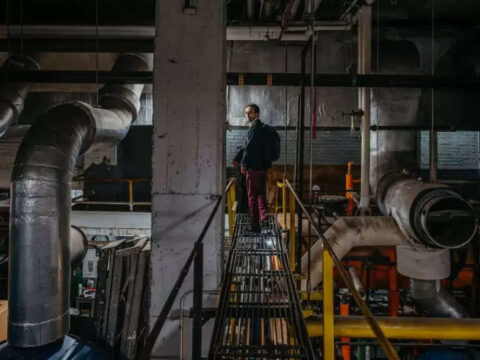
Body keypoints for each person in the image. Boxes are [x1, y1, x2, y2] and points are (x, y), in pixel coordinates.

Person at [240, 103, 271, 232]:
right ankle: (264, 219)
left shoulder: (255, 128)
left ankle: (254, 225)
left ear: (257, 114)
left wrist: (243, 163)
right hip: (262, 168)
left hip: (253, 169)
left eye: (250, 112)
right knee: (260, 194)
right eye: (246, 113)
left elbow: (249, 148)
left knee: (252, 196)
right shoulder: (263, 128)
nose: (248, 115)